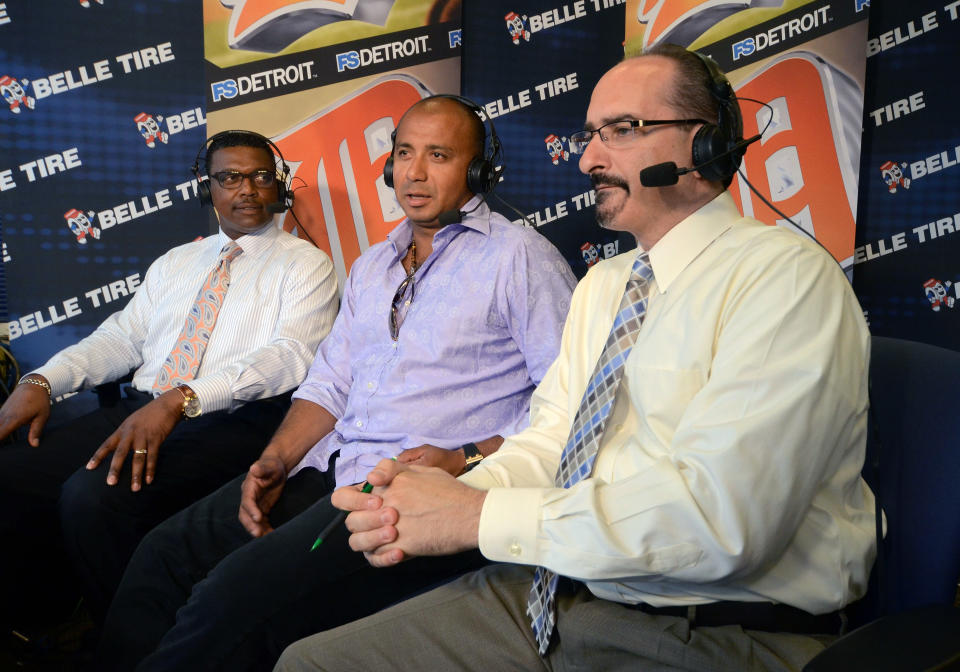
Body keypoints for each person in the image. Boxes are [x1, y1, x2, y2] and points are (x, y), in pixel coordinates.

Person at [276, 45, 877, 672]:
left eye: (622, 130)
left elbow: (722, 525)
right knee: (307, 663)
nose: (588, 158)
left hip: (709, 627)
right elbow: (551, 443)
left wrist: (478, 514)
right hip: (561, 592)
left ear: (705, 145)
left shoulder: (783, 279)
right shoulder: (606, 285)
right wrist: (431, 498)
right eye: (591, 135)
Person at [97, 95, 577, 671]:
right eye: (404, 153)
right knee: (163, 555)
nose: (415, 173)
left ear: (478, 172)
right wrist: (274, 460)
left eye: (440, 155)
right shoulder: (374, 265)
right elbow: (329, 381)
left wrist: (468, 456)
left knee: (230, 598)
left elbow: (566, 407)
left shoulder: (520, 258)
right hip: (331, 465)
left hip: (404, 494)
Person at [0, 130, 339, 630]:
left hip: (231, 421)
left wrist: (184, 399)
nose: (246, 189)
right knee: (11, 475)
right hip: (146, 406)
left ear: (278, 186)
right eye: (229, 177)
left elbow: (290, 356)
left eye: (260, 176)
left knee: (92, 499)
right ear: (208, 189)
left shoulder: (307, 265)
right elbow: (121, 339)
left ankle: (130, 642)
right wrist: (42, 380)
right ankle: (45, 622)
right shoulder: (178, 261)